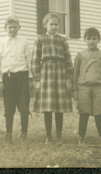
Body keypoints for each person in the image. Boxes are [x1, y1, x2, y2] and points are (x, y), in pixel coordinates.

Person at [32, 13, 73, 144]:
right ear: (45, 25)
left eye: (56, 24)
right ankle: (48, 135)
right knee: (48, 106)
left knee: (59, 106)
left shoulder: (63, 40)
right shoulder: (40, 40)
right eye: (51, 24)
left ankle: (59, 135)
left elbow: (68, 60)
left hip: (60, 73)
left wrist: (67, 78)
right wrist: (37, 79)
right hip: (46, 73)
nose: (54, 27)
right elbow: (35, 60)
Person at [0, 16, 32, 143]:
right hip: (8, 77)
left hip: (22, 76)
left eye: (15, 27)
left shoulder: (24, 41)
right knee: (9, 106)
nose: (12, 30)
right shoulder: (1, 42)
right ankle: (8, 133)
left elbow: (29, 60)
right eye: (9, 27)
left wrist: (30, 77)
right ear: (5, 28)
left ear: (19, 28)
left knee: (23, 105)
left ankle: (24, 133)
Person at [72, 27, 101, 145]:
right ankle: (81, 136)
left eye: (94, 38)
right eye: (88, 38)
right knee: (83, 112)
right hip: (83, 87)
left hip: (100, 88)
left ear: (98, 40)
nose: (91, 41)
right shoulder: (80, 55)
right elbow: (75, 73)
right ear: (84, 40)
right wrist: (74, 89)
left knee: (99, 112)